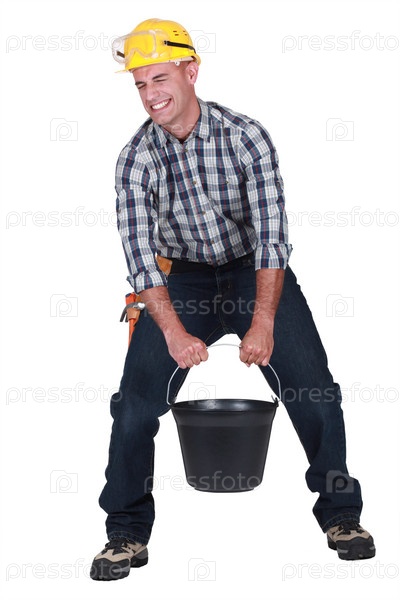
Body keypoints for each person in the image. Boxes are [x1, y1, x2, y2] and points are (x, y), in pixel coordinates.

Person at [90, 18, 375, 581]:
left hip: (253, 271)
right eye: (141, 84)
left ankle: (342, 516)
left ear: (191, 72)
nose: (150, 94)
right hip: (181, 280)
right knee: (134, 405)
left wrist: (263, 321)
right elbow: (140, 257)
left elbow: (272, 238)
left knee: (315, 391)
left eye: (160, 78)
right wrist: (173, 332)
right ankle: (125, 532)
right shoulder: (135, 158)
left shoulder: (245, 137)